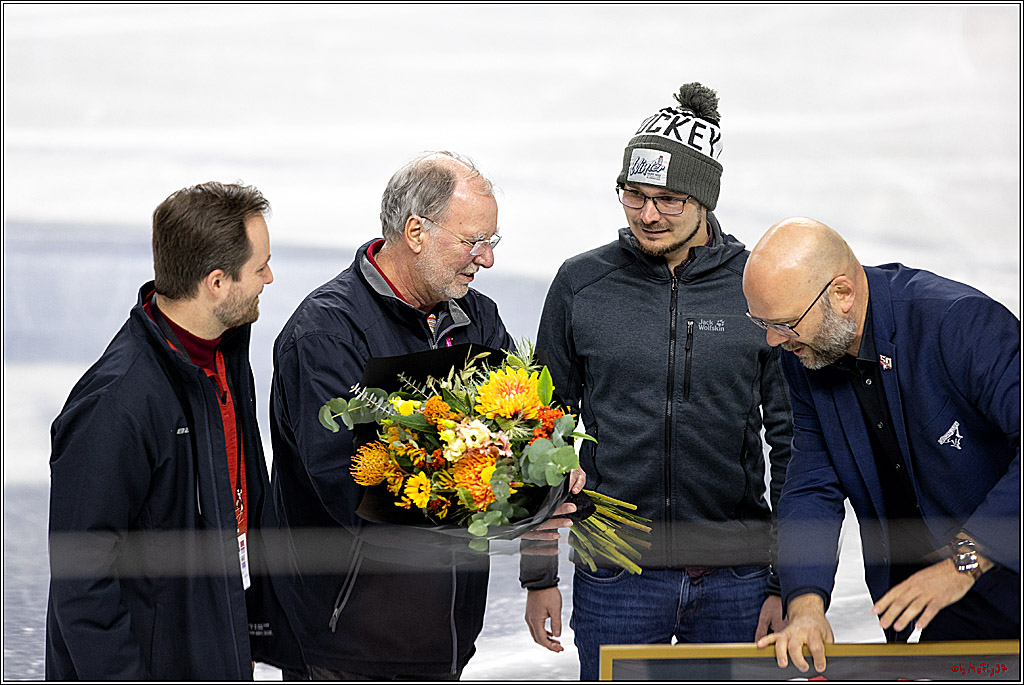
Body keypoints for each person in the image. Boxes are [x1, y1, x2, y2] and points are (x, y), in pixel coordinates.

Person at [267, 151, 581, 681]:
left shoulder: (478, 318)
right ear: (415, 231)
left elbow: (526, 435)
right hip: (349, 649)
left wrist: (551, 476)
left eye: (492, 241)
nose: (486, 260)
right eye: (473, 241)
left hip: (446, 641)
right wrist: (510, 511)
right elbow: (354, 492)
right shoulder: (326, 335)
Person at [522, 83, 794, 679]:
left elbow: (792, 442)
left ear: (704, 198)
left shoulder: (755, 285)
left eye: (669, 199)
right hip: (616, 575)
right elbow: (538, 436)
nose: (648, 215)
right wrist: (539, 574)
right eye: (634, 195)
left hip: (737, 579)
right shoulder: (581, 285)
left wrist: (788, 583)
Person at [45, 182, 299, 679]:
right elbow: (83, 587)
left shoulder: (225, 354)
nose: (270, 277)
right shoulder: (115, 406)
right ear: (217, 283)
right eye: (260, 266)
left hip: (217, 645)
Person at [744, 217, 1020, 673]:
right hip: (929, 610)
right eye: (763, 324)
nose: (774, 340)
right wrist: (805, 601)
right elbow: (812, 483)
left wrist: (964, 561)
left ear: (842, 294)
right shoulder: (806, 355)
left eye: (785, 324)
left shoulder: (960, 323)